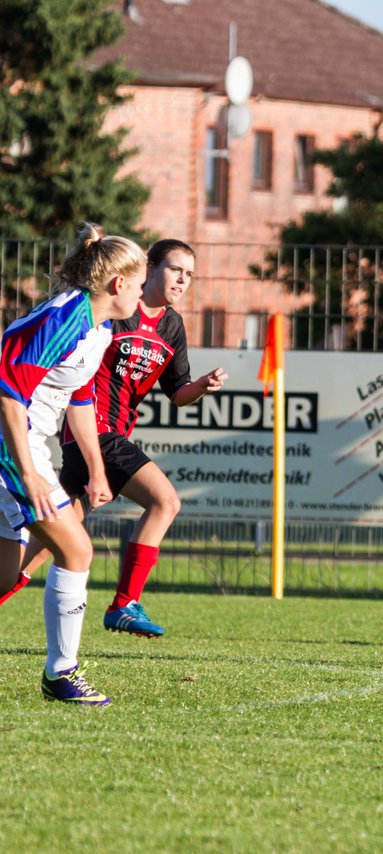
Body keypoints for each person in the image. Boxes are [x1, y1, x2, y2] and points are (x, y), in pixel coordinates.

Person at [17, 239, 226, 638]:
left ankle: (10, 582)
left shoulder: (171, 325)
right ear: (148, 268)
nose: (182, 280)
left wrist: (199, 385)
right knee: (166, 501)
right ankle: (124, 603)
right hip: (93, 433)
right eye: (175, 269)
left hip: (105, 439)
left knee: (61, 531)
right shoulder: (117, 311)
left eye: (189, 274)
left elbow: (177, 391)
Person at [0, 222, 146, 705]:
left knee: (4, 575)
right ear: (118, 284)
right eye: (142, 284)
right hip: (8, 448)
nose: (144, 295)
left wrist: (97, 469)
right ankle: (61, 674)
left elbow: (79, 398)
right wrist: (28, 474)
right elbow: (7, 397)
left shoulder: (97, 327)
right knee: (76, 551)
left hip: (24, 447)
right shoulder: (64, 318)